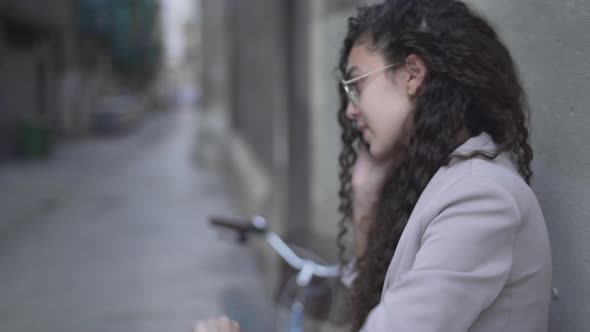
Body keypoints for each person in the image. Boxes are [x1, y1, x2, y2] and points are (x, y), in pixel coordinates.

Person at [195, 0, 552, 331]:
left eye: (356, 84)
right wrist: (366, 201)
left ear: (412, 74)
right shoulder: (440, 179)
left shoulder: (480, 196)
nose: (351, 109)